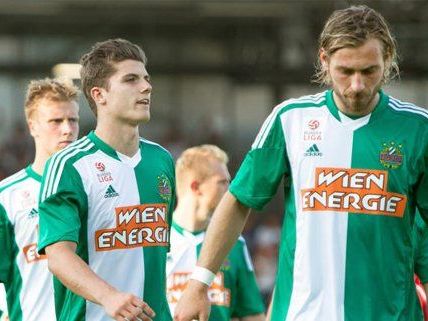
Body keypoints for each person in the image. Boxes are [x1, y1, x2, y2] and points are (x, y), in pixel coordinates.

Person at [174, 5, 428, 321]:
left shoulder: (418, 129)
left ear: (387, 60)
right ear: (324, 60)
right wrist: (199, 283)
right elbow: (239, 201)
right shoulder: (291, 120)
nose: (357, 85)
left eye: (369, 71)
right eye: (346, 71)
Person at [37, 38, 176, 321]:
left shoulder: (162, 160)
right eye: (131, 79)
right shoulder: (69, 165)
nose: (146, 87)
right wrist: (109, 297)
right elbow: (58, 256)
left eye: (146, 78)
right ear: (99, 95)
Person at [0, 78, 80, 321]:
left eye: (73, 120)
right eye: (56, 121)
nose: (67, 129)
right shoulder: (6, 197)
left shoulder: (96, 188)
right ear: (33, 126)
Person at [167, 145, 265, 321]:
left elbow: (252, 314)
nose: (231, 190)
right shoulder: (157, 240)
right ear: (196, 187)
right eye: (222, 182)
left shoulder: (235, 242)